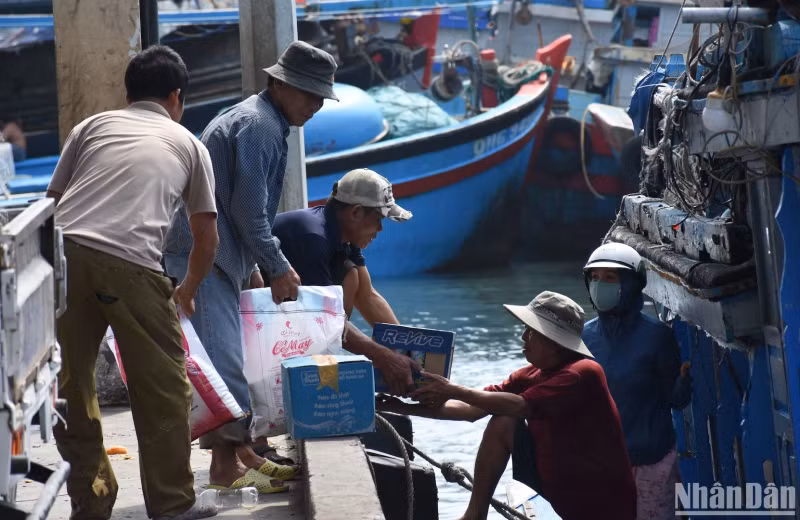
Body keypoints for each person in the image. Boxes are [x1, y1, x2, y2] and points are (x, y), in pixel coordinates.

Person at [163, 40, 418, 492]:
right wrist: (276, 264)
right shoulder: (260, 126)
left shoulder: (262, 120)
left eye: (320, 97)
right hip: (203, 252)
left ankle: (238, 453)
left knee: (231, 358)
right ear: (278, 84)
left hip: (222, 253)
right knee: (224, 362)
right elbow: (246, 209)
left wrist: (254, 267)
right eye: (309, 95)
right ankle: (226, 465)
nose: (316, 106)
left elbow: (240, 208)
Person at [45, 45, 219, 520]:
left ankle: (92, 500)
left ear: (129, 93)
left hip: (63, 257)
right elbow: (206, 238)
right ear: (176, 96)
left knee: (69, 386)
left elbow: (52, 200)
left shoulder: (93, 126)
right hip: (132, 265)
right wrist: (186, 292)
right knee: (163, 387)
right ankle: (172, 504)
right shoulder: (187, 143)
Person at [378, 291, 637, 520]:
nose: (523, 337)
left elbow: (520, 406)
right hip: (561, 483)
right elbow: (471, 410)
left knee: (507, 415)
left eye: (532, 332)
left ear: (555, 342)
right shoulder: (531, 374)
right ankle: (475, 514)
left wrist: (453, 388)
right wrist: (399, 407)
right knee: (502, 422)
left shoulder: (582, 372)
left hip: (600, 498)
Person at [582, 242, 692, 520]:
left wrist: (685, 381)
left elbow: (676, 400)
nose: (599, 285)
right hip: (600, 465)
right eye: (594, 278)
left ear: (631, 284)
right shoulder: (583, 338)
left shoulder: (656, 336)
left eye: (609, 278)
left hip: (652, 464)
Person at [272, 168, 411, 320]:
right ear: (356, 213)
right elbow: (323, 318)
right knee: (349, 275)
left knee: (351, 273)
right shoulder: (314, 238)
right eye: (378, 220)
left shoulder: (346, 235)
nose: (380, 229)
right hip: (258, 308)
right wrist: (375, 345)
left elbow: (367, 297)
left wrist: (401, 341)